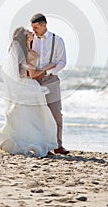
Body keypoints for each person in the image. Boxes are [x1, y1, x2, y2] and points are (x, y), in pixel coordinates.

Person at [0, 27, 57, 157]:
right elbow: (32, 74)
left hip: (23, 87)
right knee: (37, 116)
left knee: (28, 116)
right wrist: (48, 67)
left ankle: (26, 140)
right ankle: (38, 143)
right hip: (29, 85)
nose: (31, 32)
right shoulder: (30, 54)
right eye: (28, 32)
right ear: (25, 37)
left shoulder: (21, 53)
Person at [31, 13, 70, 155]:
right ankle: (43, 146)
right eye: (32, 28)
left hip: (51, 80)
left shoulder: (57, 40)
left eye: (36, 27)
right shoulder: (30, 39)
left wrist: (46, 73)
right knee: (37, 114)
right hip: (32, 81)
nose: (34, 30)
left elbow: (62, 62)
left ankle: (58, 145)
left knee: (56, 113)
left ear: (44, 25)